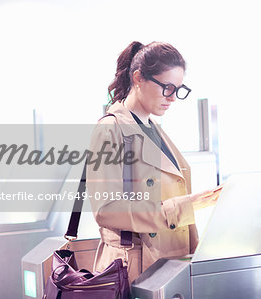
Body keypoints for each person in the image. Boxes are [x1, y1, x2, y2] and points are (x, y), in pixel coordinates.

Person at [86, 41, 220, 285]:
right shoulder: (110, 128)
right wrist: (178, 208)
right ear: (138, 78)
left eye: (178, 89)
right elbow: (106, 209)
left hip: (167, 267)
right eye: (167, 88)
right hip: (136, 269)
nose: (173, 98)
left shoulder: (152, 128)